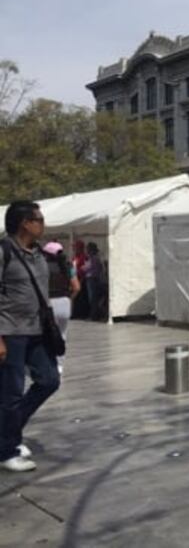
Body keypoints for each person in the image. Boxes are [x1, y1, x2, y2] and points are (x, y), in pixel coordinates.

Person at [0, 201, 61, 472]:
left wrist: (69, 276)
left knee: (49, 380)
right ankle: (6, 450)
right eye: (39, 218)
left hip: (38, 331)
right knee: (11, 393)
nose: (42, 222)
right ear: (25, 223)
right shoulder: (4, 252)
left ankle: (7, 433)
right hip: (11, 332)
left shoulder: (38, 253)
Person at [43, 241, 80, 374]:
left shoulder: (43, 267)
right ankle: (60, 365)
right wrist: (69, 298)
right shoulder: (68, 266)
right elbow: (77, 287)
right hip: (64, 303)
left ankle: (48, 362)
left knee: (45, 334)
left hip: (49, 302)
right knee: (62, 334)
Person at [81, 243, 105, 321]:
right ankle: (95, 315)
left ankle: (94, 316)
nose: (87, 251)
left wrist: (83, 267)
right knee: (93, 298)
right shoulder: (95, 258)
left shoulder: (93, 259)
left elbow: (86, 268)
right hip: (94, 279)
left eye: (88, 249)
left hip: (92, 279)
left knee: (92, 299)